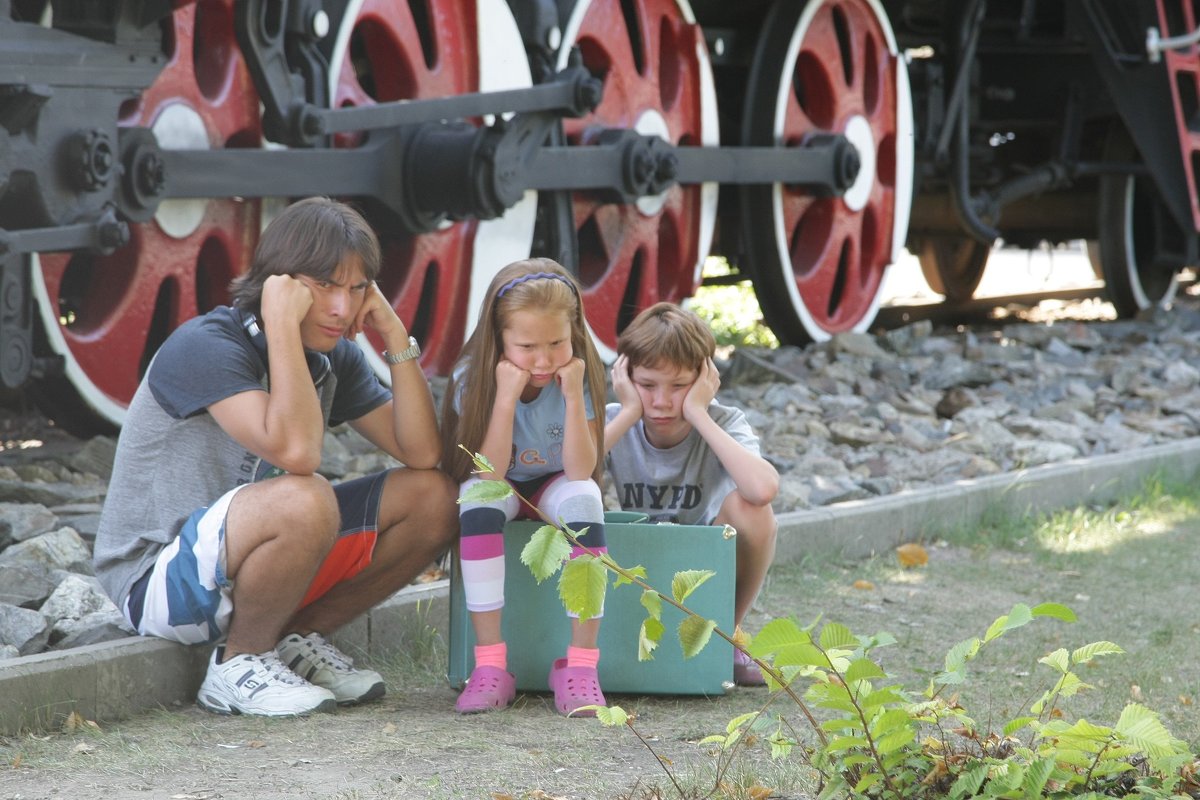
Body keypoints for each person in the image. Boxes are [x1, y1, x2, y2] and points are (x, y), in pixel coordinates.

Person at [92, 197, 457, 717]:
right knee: (306, 498)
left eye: (357, 289)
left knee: (435, 498)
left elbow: (423, 453)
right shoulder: (206, 345)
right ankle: (239, 662)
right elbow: (297, 452)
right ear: (280, 283)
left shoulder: (335, 356)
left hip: (249, 562)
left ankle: (293, 640)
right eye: (325, 285)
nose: (341, 307)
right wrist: (281, 324)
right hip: (157, 582)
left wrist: (395, 337)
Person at [441, 258, 609, 716]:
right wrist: (505, 397)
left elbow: (580, 470)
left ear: (573, 332)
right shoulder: (472, 378)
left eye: (557, 342)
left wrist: (574, 395)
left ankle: (579, 666)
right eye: (527, 345)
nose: (543, 359)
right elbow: (490, 473)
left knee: (586, 501)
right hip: (506, 485)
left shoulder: (580, 375)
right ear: (499, 340)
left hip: (556, 482)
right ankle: (491, 665)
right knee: (476, 500)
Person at [604, 302, 779, 686]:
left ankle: (724, 635)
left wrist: (699, 413)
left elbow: (763, 489)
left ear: (705, 379)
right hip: (635, 566)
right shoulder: (616, 418)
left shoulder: (722, 419)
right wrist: (630, 413)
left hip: (705, 572)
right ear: (625, 375)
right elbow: (570, 475)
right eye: (647, 385)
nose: (663, 401)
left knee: (751, 509)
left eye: (679, 386)